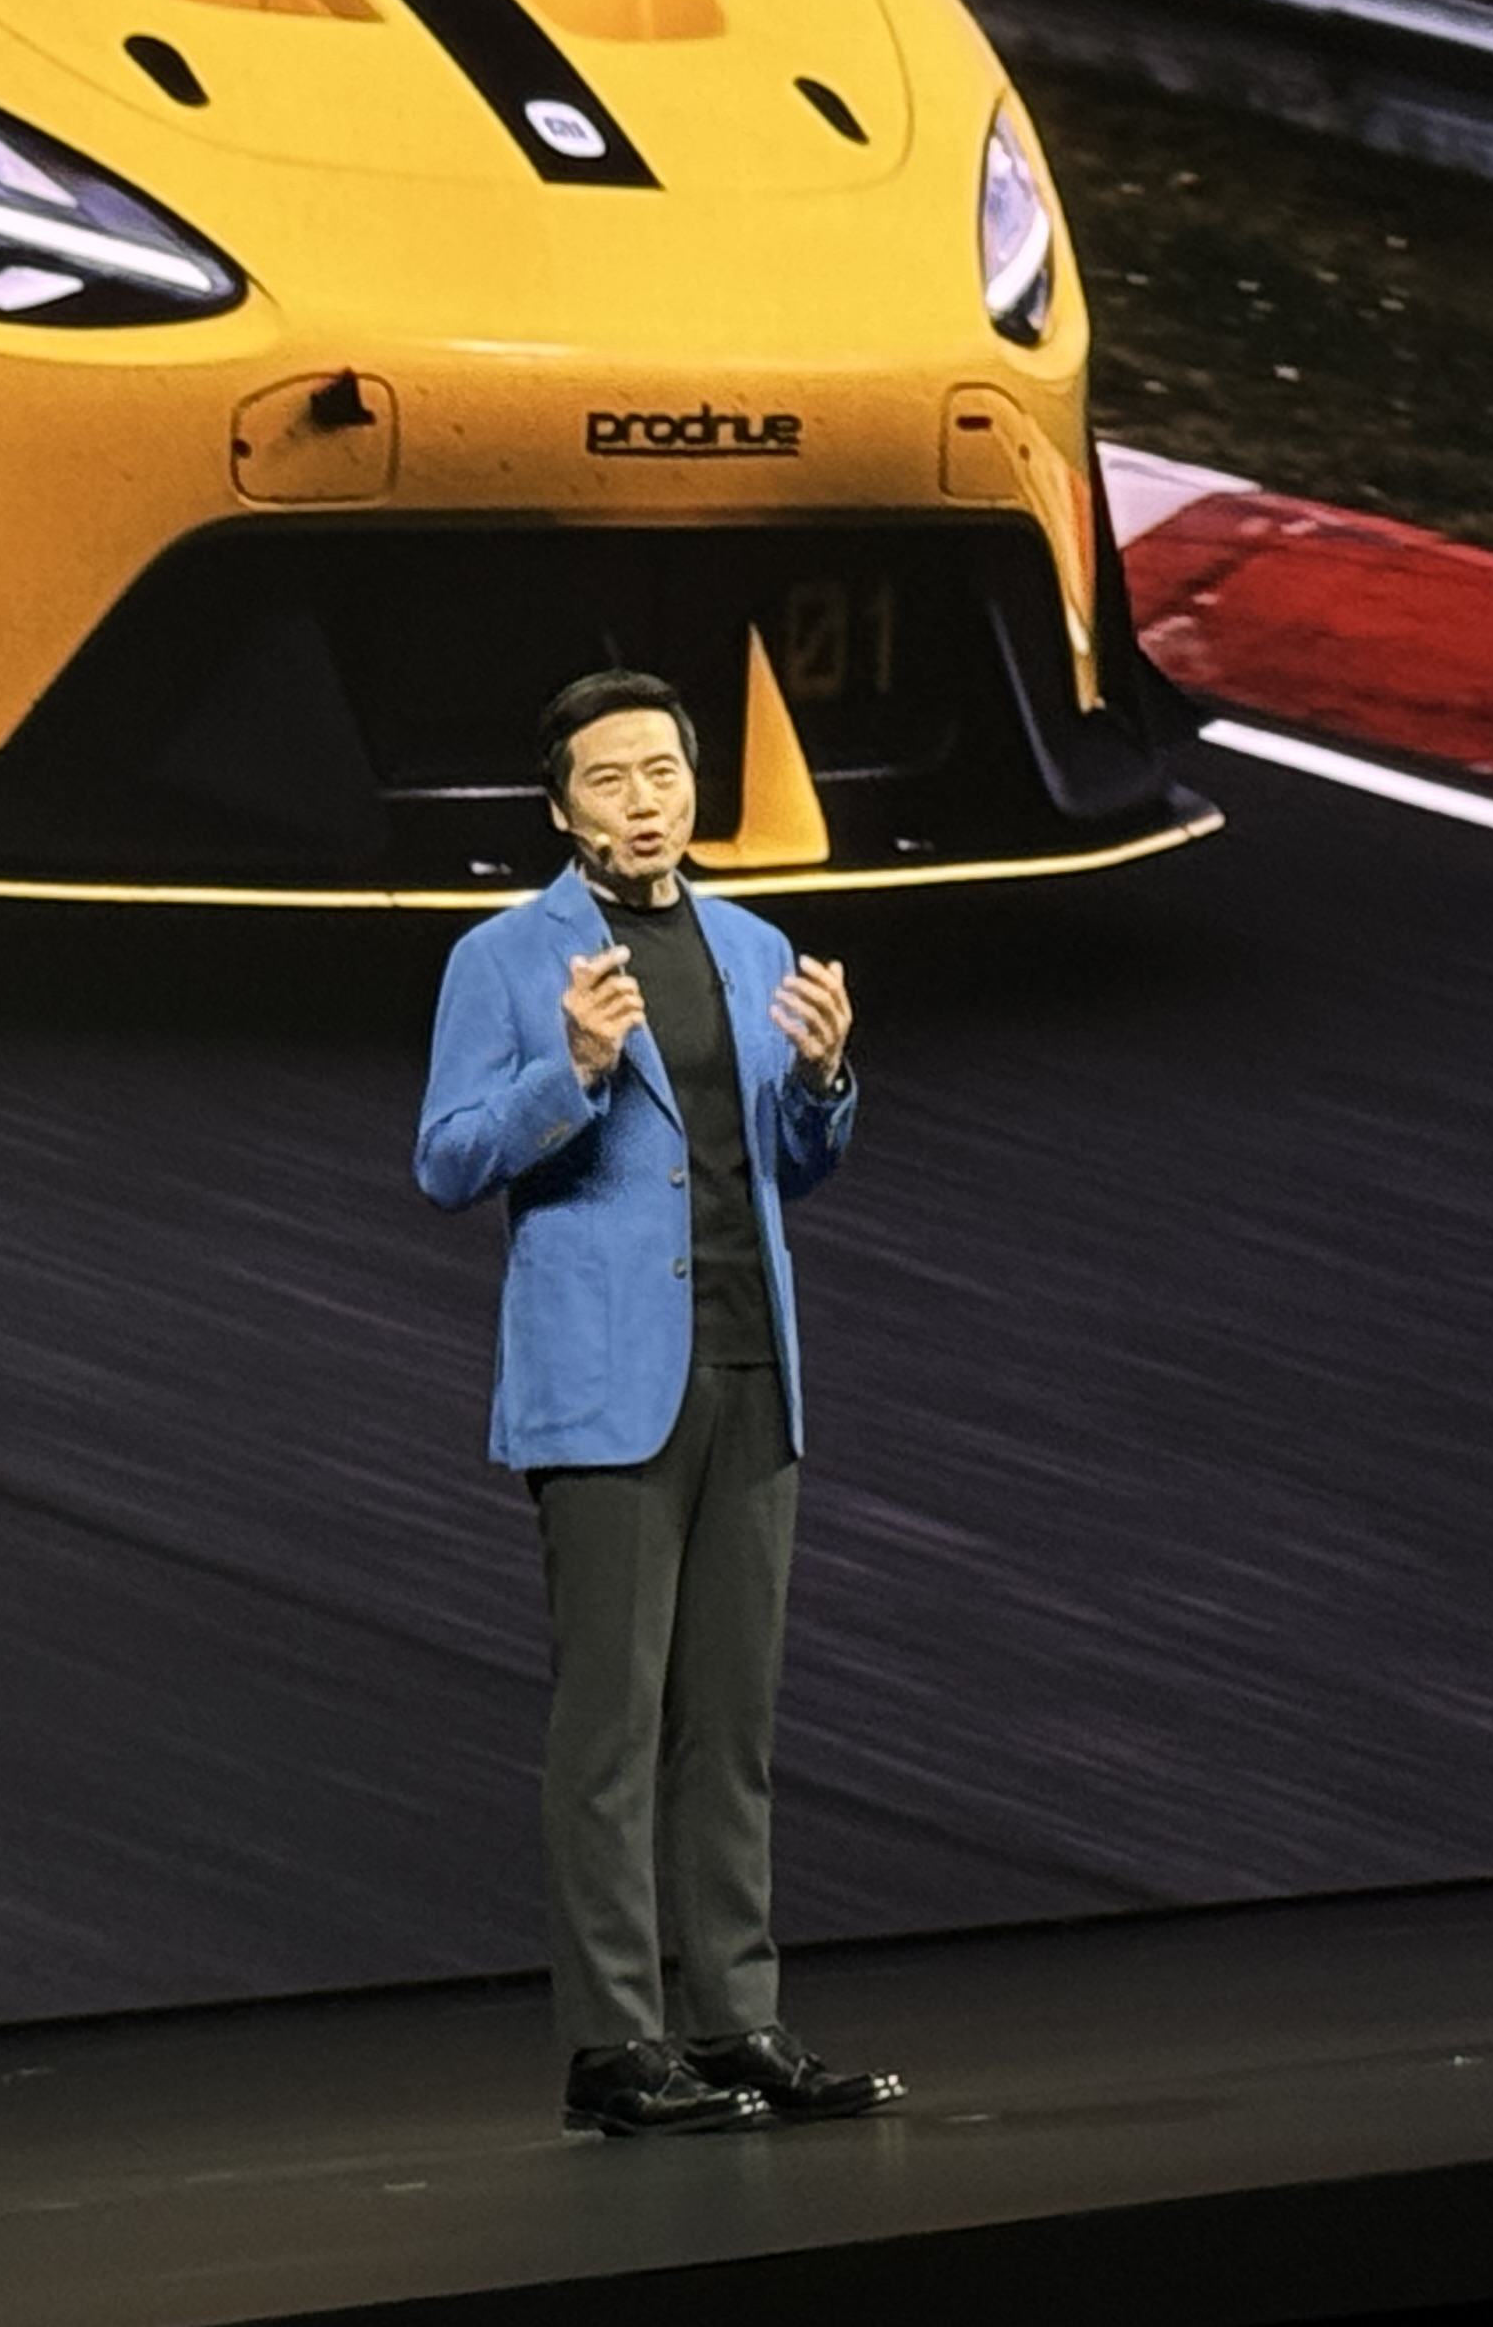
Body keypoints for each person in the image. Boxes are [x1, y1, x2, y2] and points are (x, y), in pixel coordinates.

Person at [414, 669, 907, 2139]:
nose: (646, 801)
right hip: (605, 1384)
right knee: (613, 1731)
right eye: (612, 779)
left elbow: (789, 1162)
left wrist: (825, 1078)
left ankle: (737, 2021)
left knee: (731, 1727)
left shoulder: (752, 945)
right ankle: (615, 2043)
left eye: (667, 773)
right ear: (562, 808)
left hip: (752, 1366)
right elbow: (446, 1161)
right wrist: (566, 1072)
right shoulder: (506, 959)